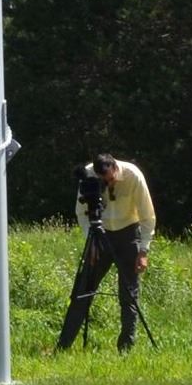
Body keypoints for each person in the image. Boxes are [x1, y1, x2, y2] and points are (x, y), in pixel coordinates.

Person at [55, 151, 156, 355]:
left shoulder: (133, 175)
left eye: (110, 179)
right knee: (82, 290)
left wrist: (143, 250)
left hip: (128, 234)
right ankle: (63, 346)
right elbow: (80, 211)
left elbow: (147, 215)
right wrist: (90, 240)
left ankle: (125, 349)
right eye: (104, 181)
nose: (108, 183)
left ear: (115, 169)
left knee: (128, 293)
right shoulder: (88, 175)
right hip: (99, 236)